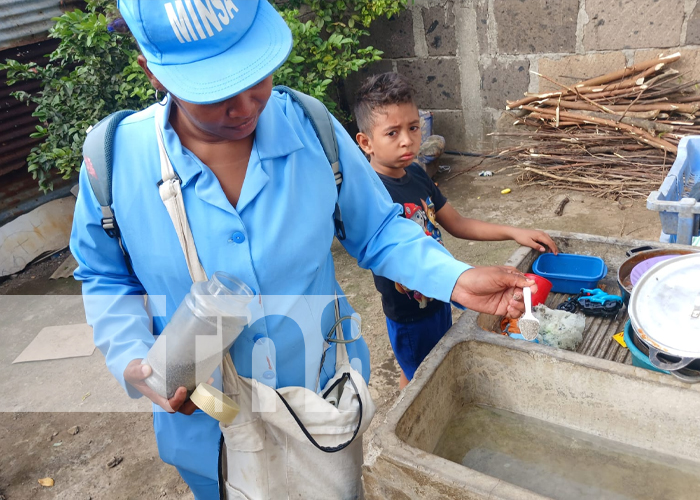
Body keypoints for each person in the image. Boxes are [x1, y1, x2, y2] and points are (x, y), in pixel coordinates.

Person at [70, 2, 533, 498]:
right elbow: (105, 276)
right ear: (153, 73)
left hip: (322, 405)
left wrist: (456, 279)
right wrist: (133, 357)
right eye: (215, 93)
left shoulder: (310, 129)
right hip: (208, 424)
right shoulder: (115, 163)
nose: (246, 107)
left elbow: (377, 229)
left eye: (256, 77)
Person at [354, 72, 558, 389]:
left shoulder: (418, 176)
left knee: (432, 360)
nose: (407, 140)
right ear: (365, 142)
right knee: (420, 375)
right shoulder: (371, 195)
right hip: (409, 314)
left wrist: (514, 231)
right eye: (392, 133)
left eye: (412, 127)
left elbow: (458, 223)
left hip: (442, 294)